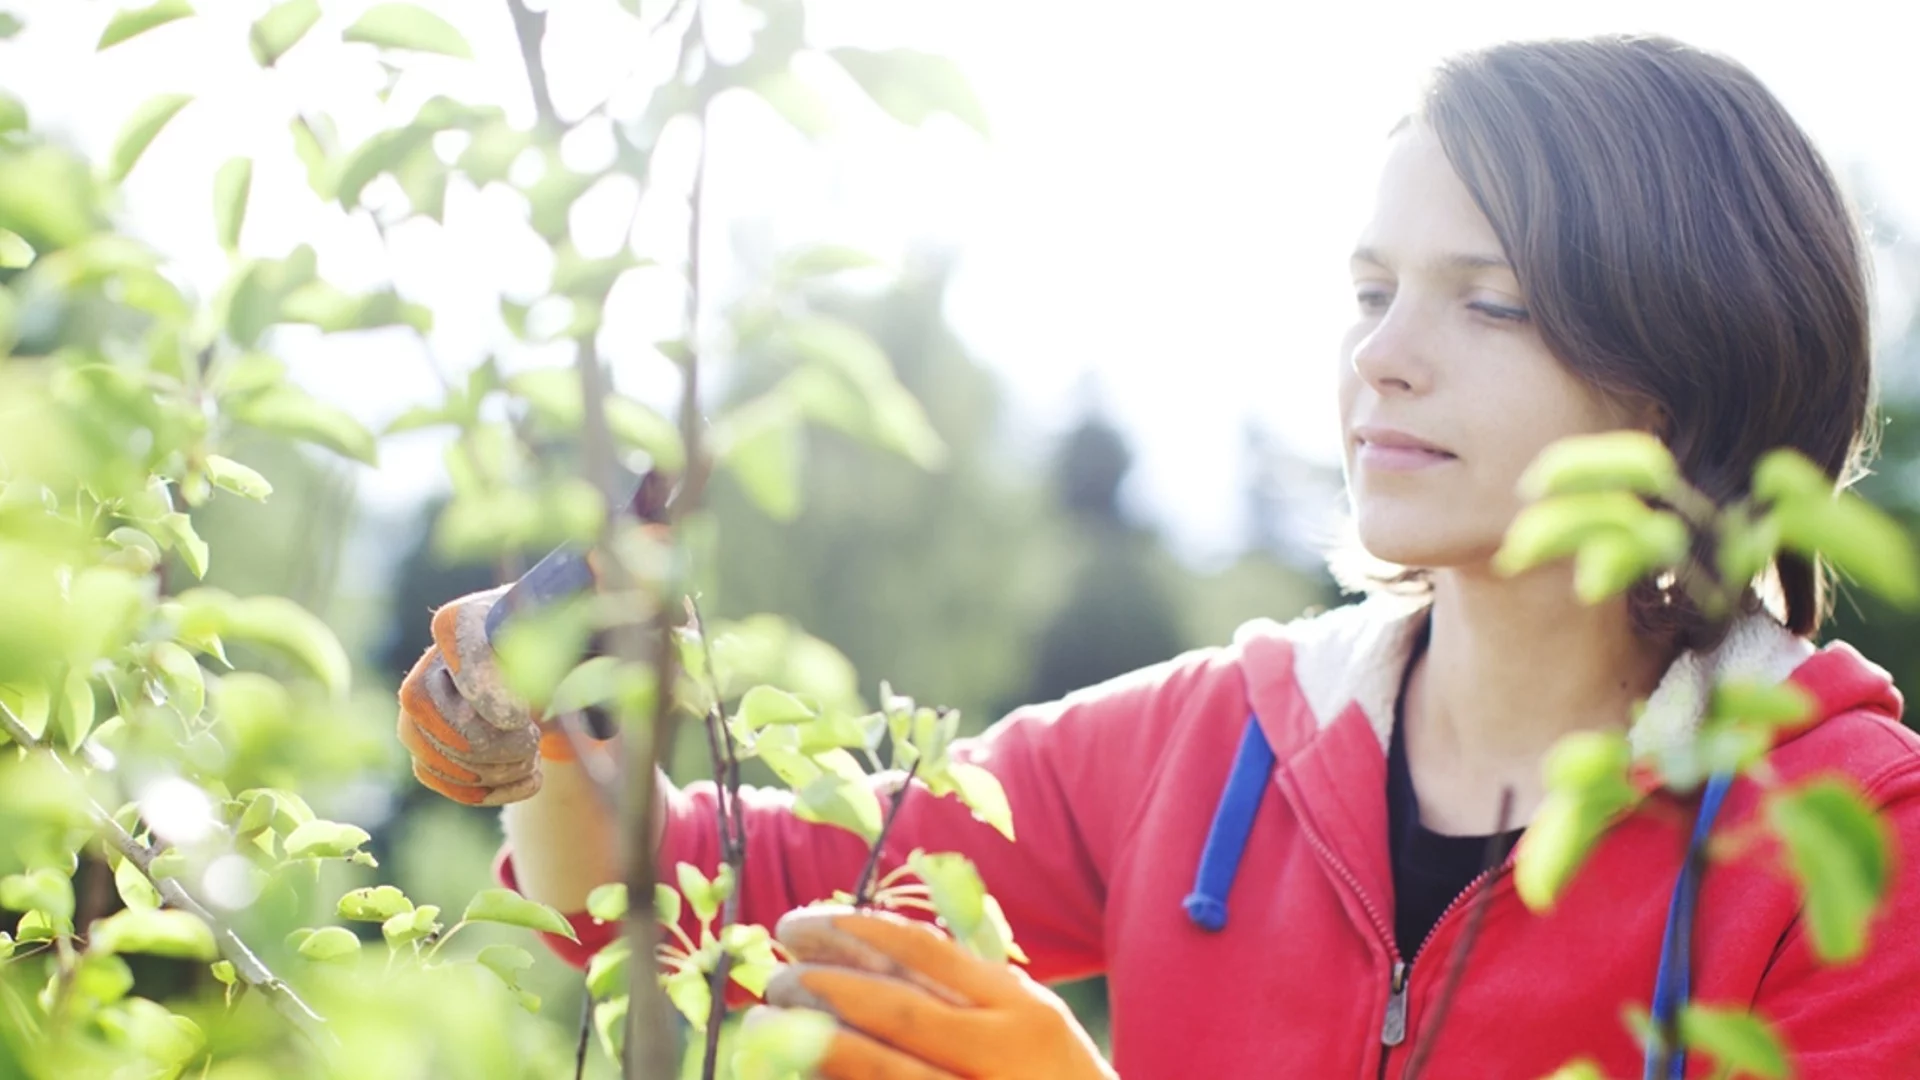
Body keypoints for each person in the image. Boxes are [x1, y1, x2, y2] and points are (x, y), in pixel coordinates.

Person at [395, 34, 1920, 1079]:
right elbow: (722, 900)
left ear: (1689, 367)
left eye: (1490, 301)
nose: (1382, 358)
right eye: (1372, 287)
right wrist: (545, 732)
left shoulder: (1854, 851)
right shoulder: (1217, 744)